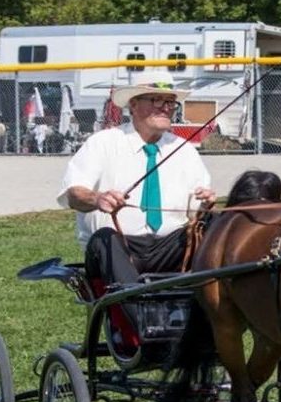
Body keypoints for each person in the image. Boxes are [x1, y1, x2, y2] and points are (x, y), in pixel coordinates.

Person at [58, 70, 216, 330]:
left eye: (169, 102)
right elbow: (74, 194)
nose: (165, 108)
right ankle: (148, 325)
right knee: (103, 238)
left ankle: (210, 324)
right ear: (133, 104)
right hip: (118, 247)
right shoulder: (104, 143)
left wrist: (205, 204)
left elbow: (195, 211)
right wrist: (98, 198)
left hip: (168, 247)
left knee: (208, 230)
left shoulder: (185, 150)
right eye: (156, 100)